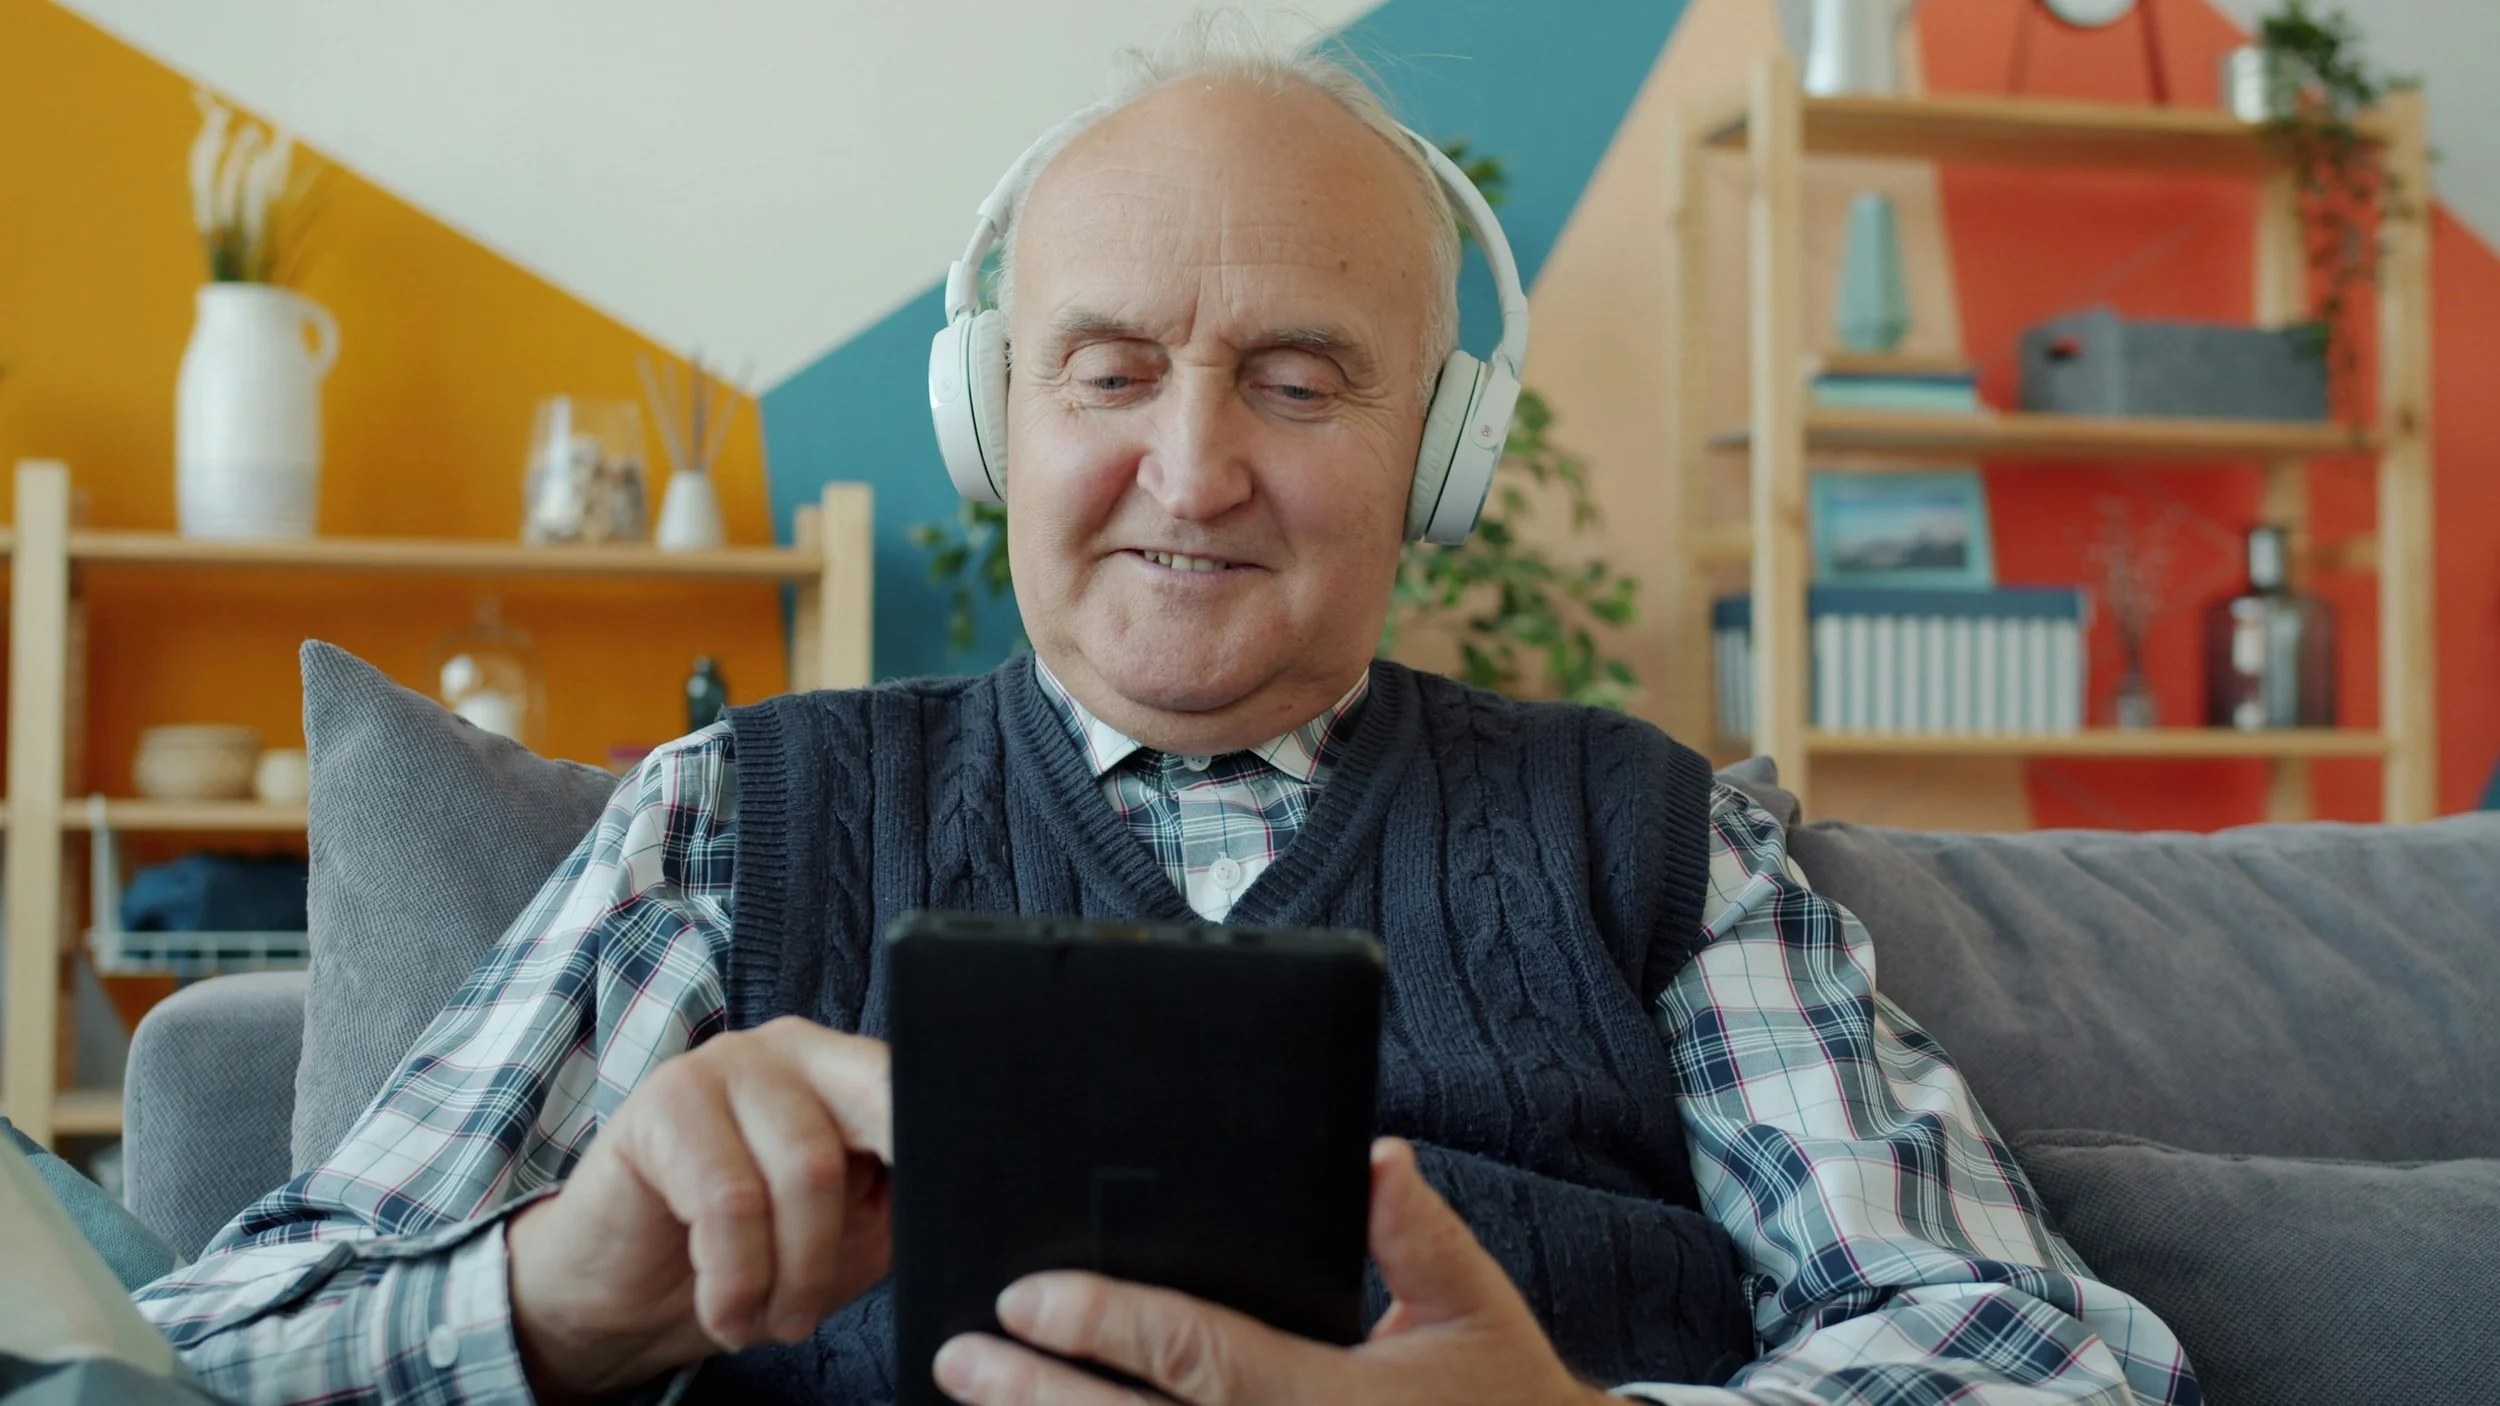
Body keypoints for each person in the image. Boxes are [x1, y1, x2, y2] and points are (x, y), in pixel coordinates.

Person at [136, 21, 2199, 1406]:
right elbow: (174, 1357)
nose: (1193, 471)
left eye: (1297, 383)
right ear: (995, 418)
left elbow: (2046, 1355)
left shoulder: (1657, 847)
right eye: (1109, 372)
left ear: (1438, 451)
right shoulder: (728, 822)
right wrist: (554, 1306)